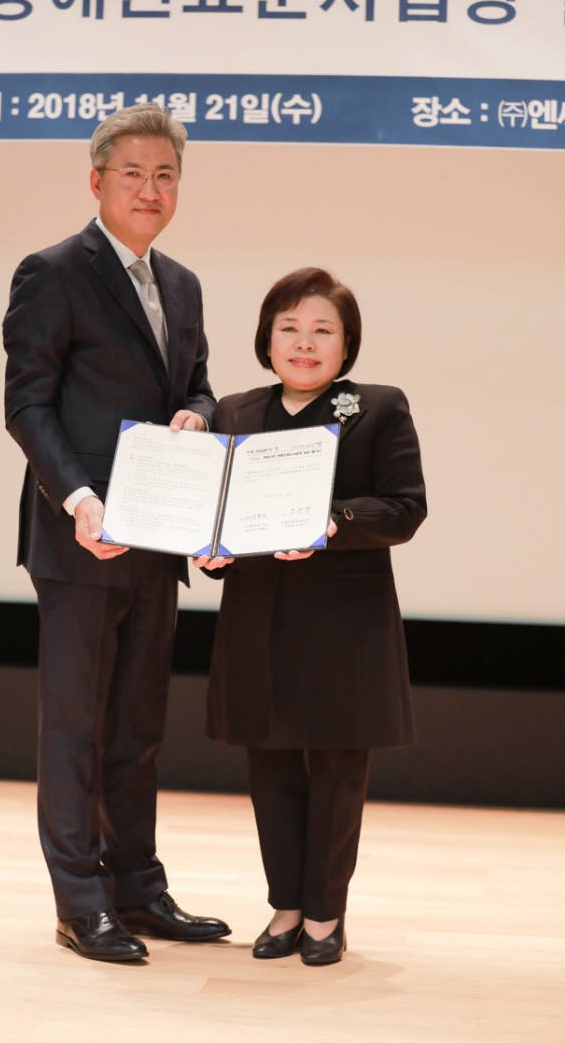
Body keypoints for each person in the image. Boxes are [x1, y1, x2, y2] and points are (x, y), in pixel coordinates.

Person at [3, 103, 229, 963]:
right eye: (132, 172)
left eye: (165, 174)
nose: (150, 187)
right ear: (96, 180)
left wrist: (196, 418)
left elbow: (200, 386)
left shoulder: (183, 284)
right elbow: (27, 401)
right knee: (75, 729)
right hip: (82, 538)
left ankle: (138, 889)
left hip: (159, 538)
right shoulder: (52, 271)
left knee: (137, 727)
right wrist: (77, 497)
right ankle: (80, 901)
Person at [196, 267, 426, 966]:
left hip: (344, 626)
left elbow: (404, 509)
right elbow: (216, 507)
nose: (305, 343)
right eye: (289, 328)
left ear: (346, 344)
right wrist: (209, 549)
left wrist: (331, 522)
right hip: (257, 619)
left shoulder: (378, 407)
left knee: (335, 770)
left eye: (323, 330)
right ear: (266, 338)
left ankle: (325, 914)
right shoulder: (235, 411)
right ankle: (284, 907)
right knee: (269, 768)